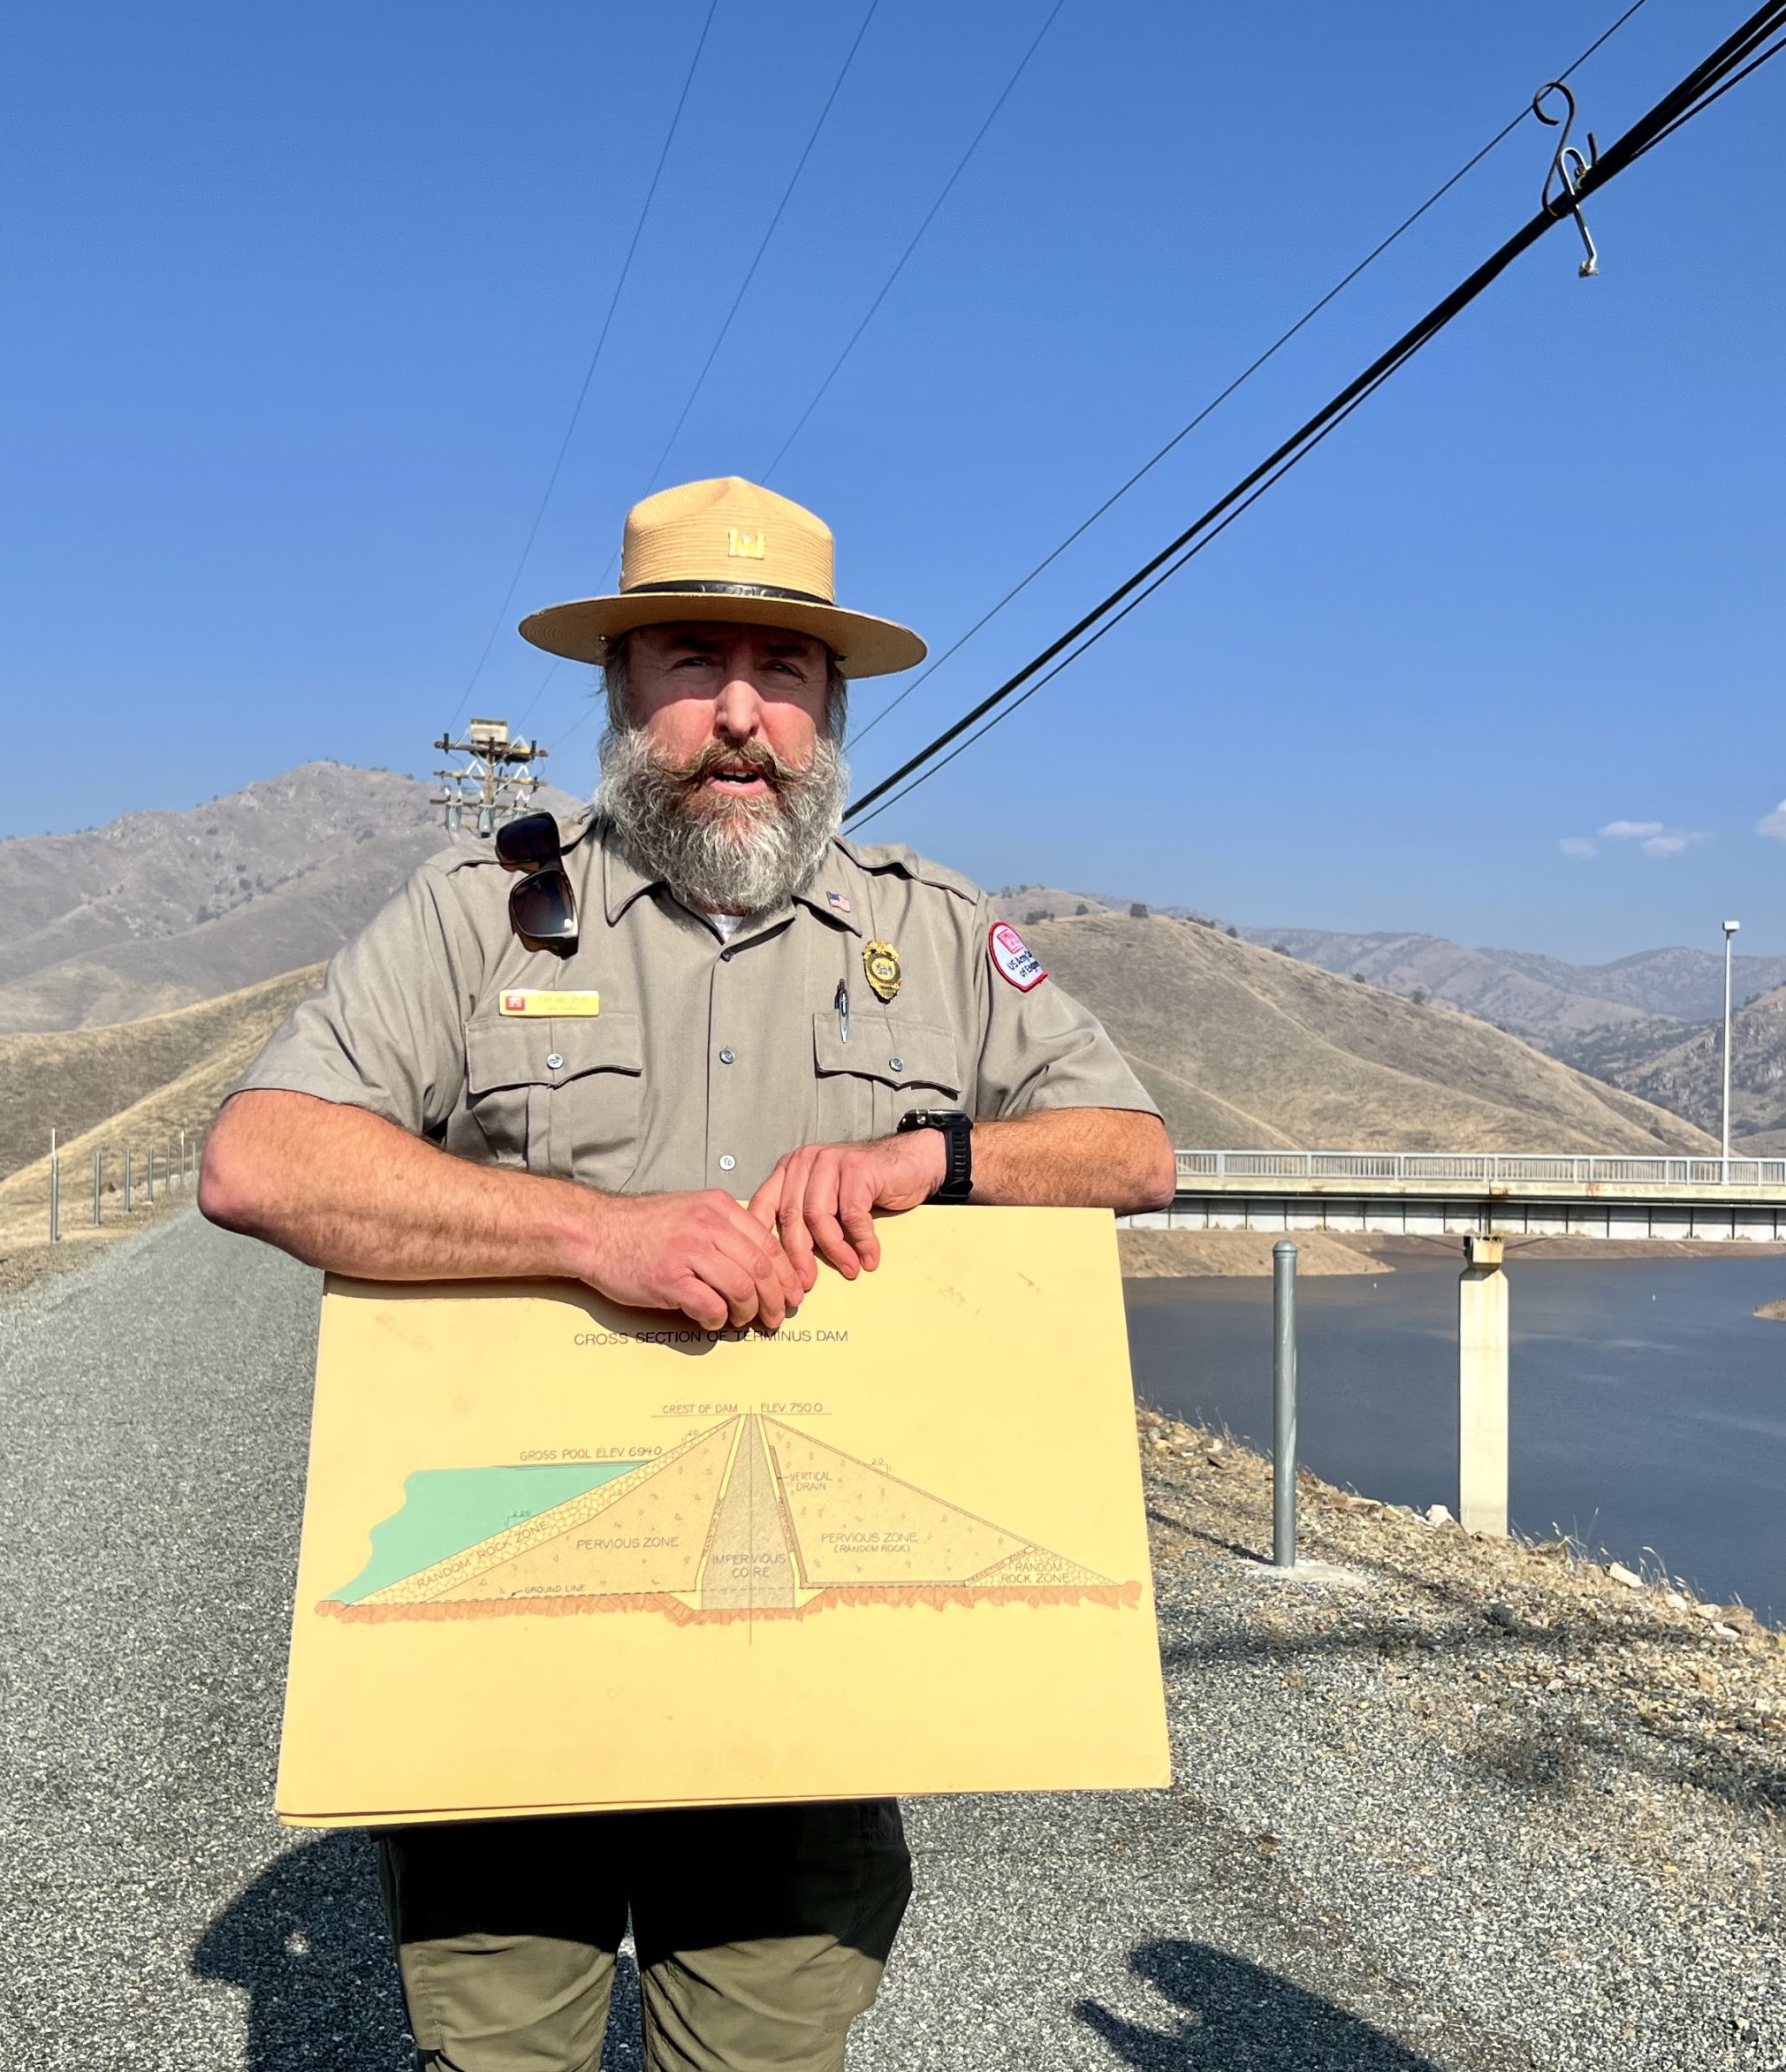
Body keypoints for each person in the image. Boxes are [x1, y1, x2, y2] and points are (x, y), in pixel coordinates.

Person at [200, 475, 1174, 2072]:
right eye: (689, 663)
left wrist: (929, 1159)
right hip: (514, 1658)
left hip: (811, 1678)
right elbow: (260, 1162)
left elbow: (1131, 1153)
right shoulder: (483, 916)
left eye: (782, 670)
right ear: (617, 688)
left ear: (829, 709)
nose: (738, 714)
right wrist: (595, 1234)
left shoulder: (934, 932)